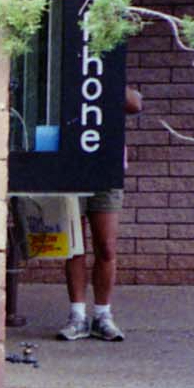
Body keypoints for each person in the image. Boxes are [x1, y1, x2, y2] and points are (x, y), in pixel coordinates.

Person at [58, 84, 143, 342]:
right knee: (75, 245)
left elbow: (135, 103)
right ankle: (77, 316)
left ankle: (103, 315)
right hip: (72, 165)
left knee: (106, 246)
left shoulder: (108, 70)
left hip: (106, 167)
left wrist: (105, 75)